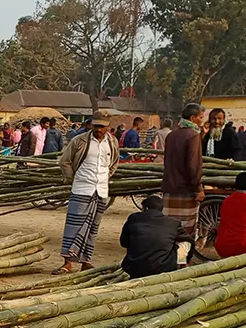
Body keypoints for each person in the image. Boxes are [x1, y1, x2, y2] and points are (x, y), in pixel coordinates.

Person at [56, 112, 120, 274]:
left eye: (102, 126)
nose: (98, 129)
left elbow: (114, 163)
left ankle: (86, 261)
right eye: (96, 125)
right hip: (81, 189)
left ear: (108, 126)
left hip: (101, 190)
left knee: (92, 227)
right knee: (73, 226)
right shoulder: (80, 141)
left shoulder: (112, 142)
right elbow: (65, 161)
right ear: (91, 125)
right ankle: (68, 262)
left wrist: (105, 176)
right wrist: (74, 179)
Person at [163, 102, 207, 265]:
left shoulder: (172, 135)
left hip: (169, 188)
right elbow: (193, 166)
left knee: (170, 228)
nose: (202, 121)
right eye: (201, 118)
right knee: (185, 231)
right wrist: (199, 188)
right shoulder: (193, 135)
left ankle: (167, 260)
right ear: (193, 118)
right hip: (186, 191)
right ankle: (181, 263)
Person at [120, 195, 193, 278]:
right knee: (185, 242)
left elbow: (124, 242)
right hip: (163, 268)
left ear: (145, 208)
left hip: (132, 268)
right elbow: (190, 241)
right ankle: (183, 267)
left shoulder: (133, 218)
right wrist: (188, 258)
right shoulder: (173, 223)